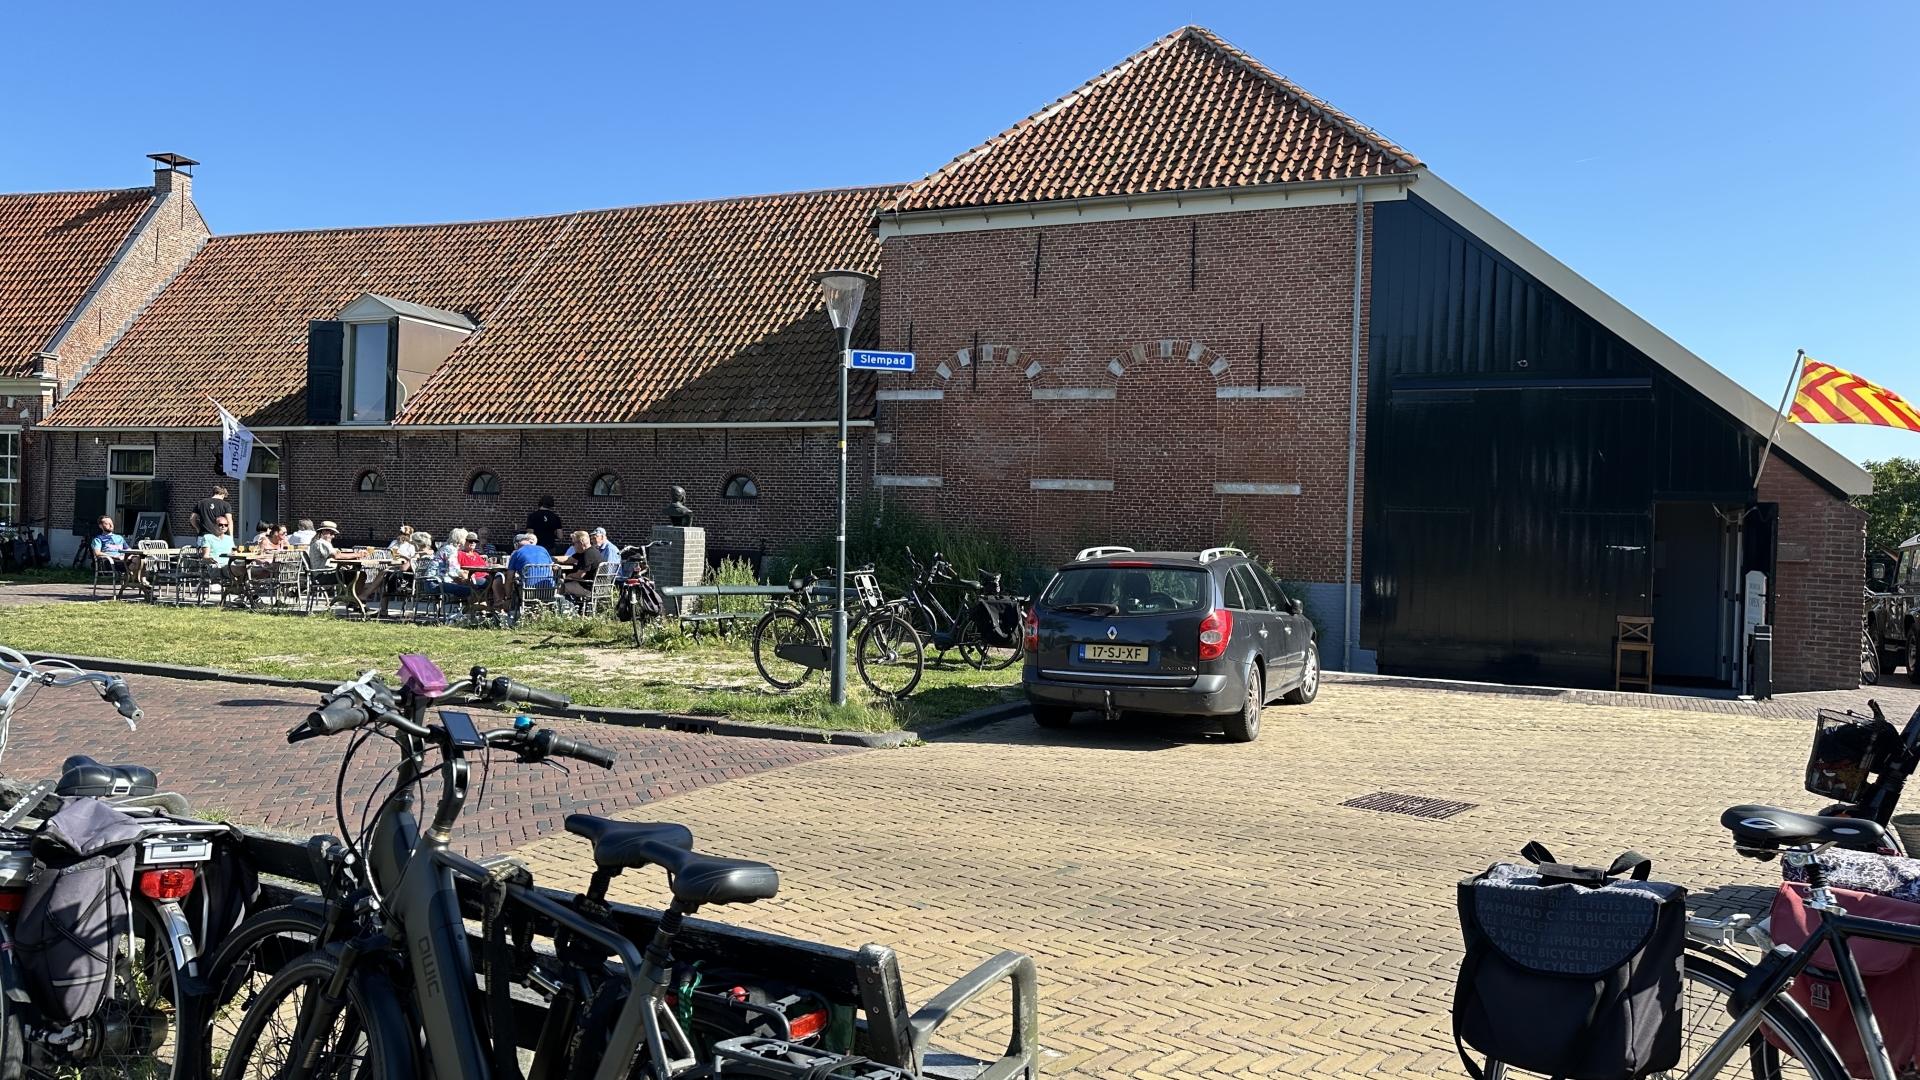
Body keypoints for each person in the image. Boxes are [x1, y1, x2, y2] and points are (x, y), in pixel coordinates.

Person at [90, 516, 145, 599]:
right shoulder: (98, 539)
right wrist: (114, 556)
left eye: (111, 523)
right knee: (139, 564)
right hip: (110, 561)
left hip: (124, 560)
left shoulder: (119, 538)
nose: (110, 525)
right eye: (107, 524)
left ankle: (141, 582)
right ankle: (136, 582)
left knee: (142, 559)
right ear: (100, 526)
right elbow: (97, 553)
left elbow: (128, 550)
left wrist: (130, 556)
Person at [560, 530, 606, 609]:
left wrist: (568, 576)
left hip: (588, 588)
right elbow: (569, 560)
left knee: (560, 586)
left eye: (573, 544)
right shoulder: (593, 550)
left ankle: (561, 610)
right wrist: (551, 558)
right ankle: (577, 608)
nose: (573, 546)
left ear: (580, 543)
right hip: (599, 586)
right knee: (569, 583)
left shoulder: (586, 555)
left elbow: (580, 575)